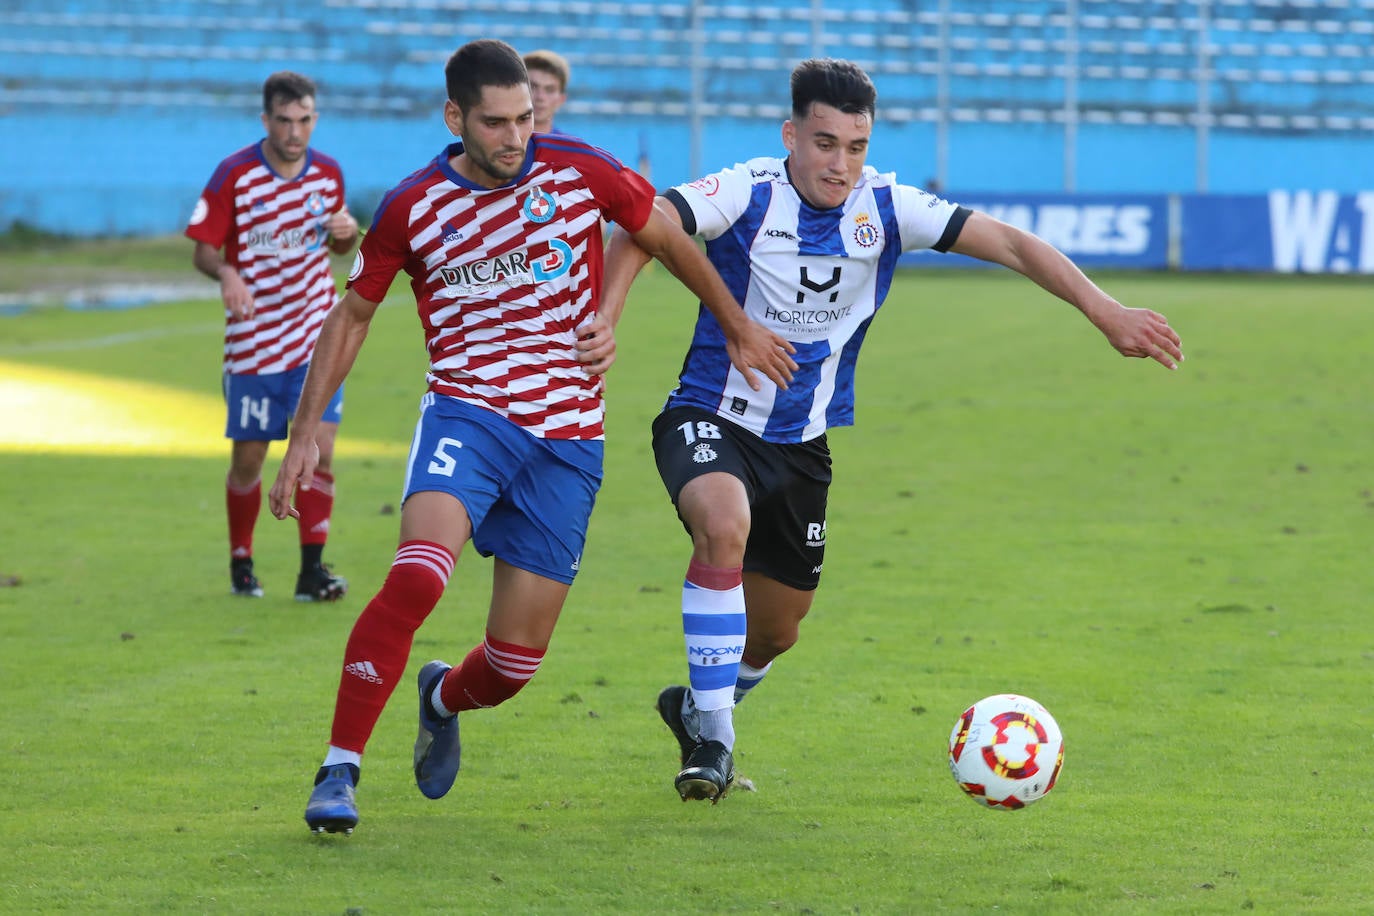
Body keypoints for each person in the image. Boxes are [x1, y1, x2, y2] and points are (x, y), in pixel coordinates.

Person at [600, 58, 1185, 804]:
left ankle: (699, 707)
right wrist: (607, 320)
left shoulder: (887, 207)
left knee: (777, 633)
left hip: (802, 444)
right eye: (823, 142)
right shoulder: (746, 190)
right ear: (791, 135)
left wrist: (1103, 309)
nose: (839, 163)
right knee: (722, 523)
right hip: (708, 417)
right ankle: (714, 741)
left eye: (855, 145)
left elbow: (1008, 243)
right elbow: (644, 223)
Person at [267, 39, 795, 836]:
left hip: (567, 439)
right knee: (417, 576)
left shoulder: (579, 168)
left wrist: (736, 324)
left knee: (513, 665)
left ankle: (439, 696)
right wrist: (306, 431)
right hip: (466, 416)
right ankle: (339, 768)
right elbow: (354, 313)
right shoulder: (413, 206)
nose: (515, 136)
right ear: (456, 118)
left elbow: (662, 233)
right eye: (495, 122)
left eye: (524, 118)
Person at [187, 70, 358, 602]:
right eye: (283, 120)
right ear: (266, 120)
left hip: (314, 336)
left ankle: (312, 571)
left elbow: (336, 248)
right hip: (255, 343)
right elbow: (204, 250)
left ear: (314, 119)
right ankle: (242, 559)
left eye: (303, 120)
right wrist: (229, 273)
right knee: (250, 459)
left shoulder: (328, 174)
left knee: (321, 450)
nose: (294, 131)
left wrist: (347, 235)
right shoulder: (233, 175)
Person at [523, 48, 570, 134]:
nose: (540, 97)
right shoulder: (496, 142)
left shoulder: (567, 146)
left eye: (550, 90)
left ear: (561, 99)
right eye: (532, 87)